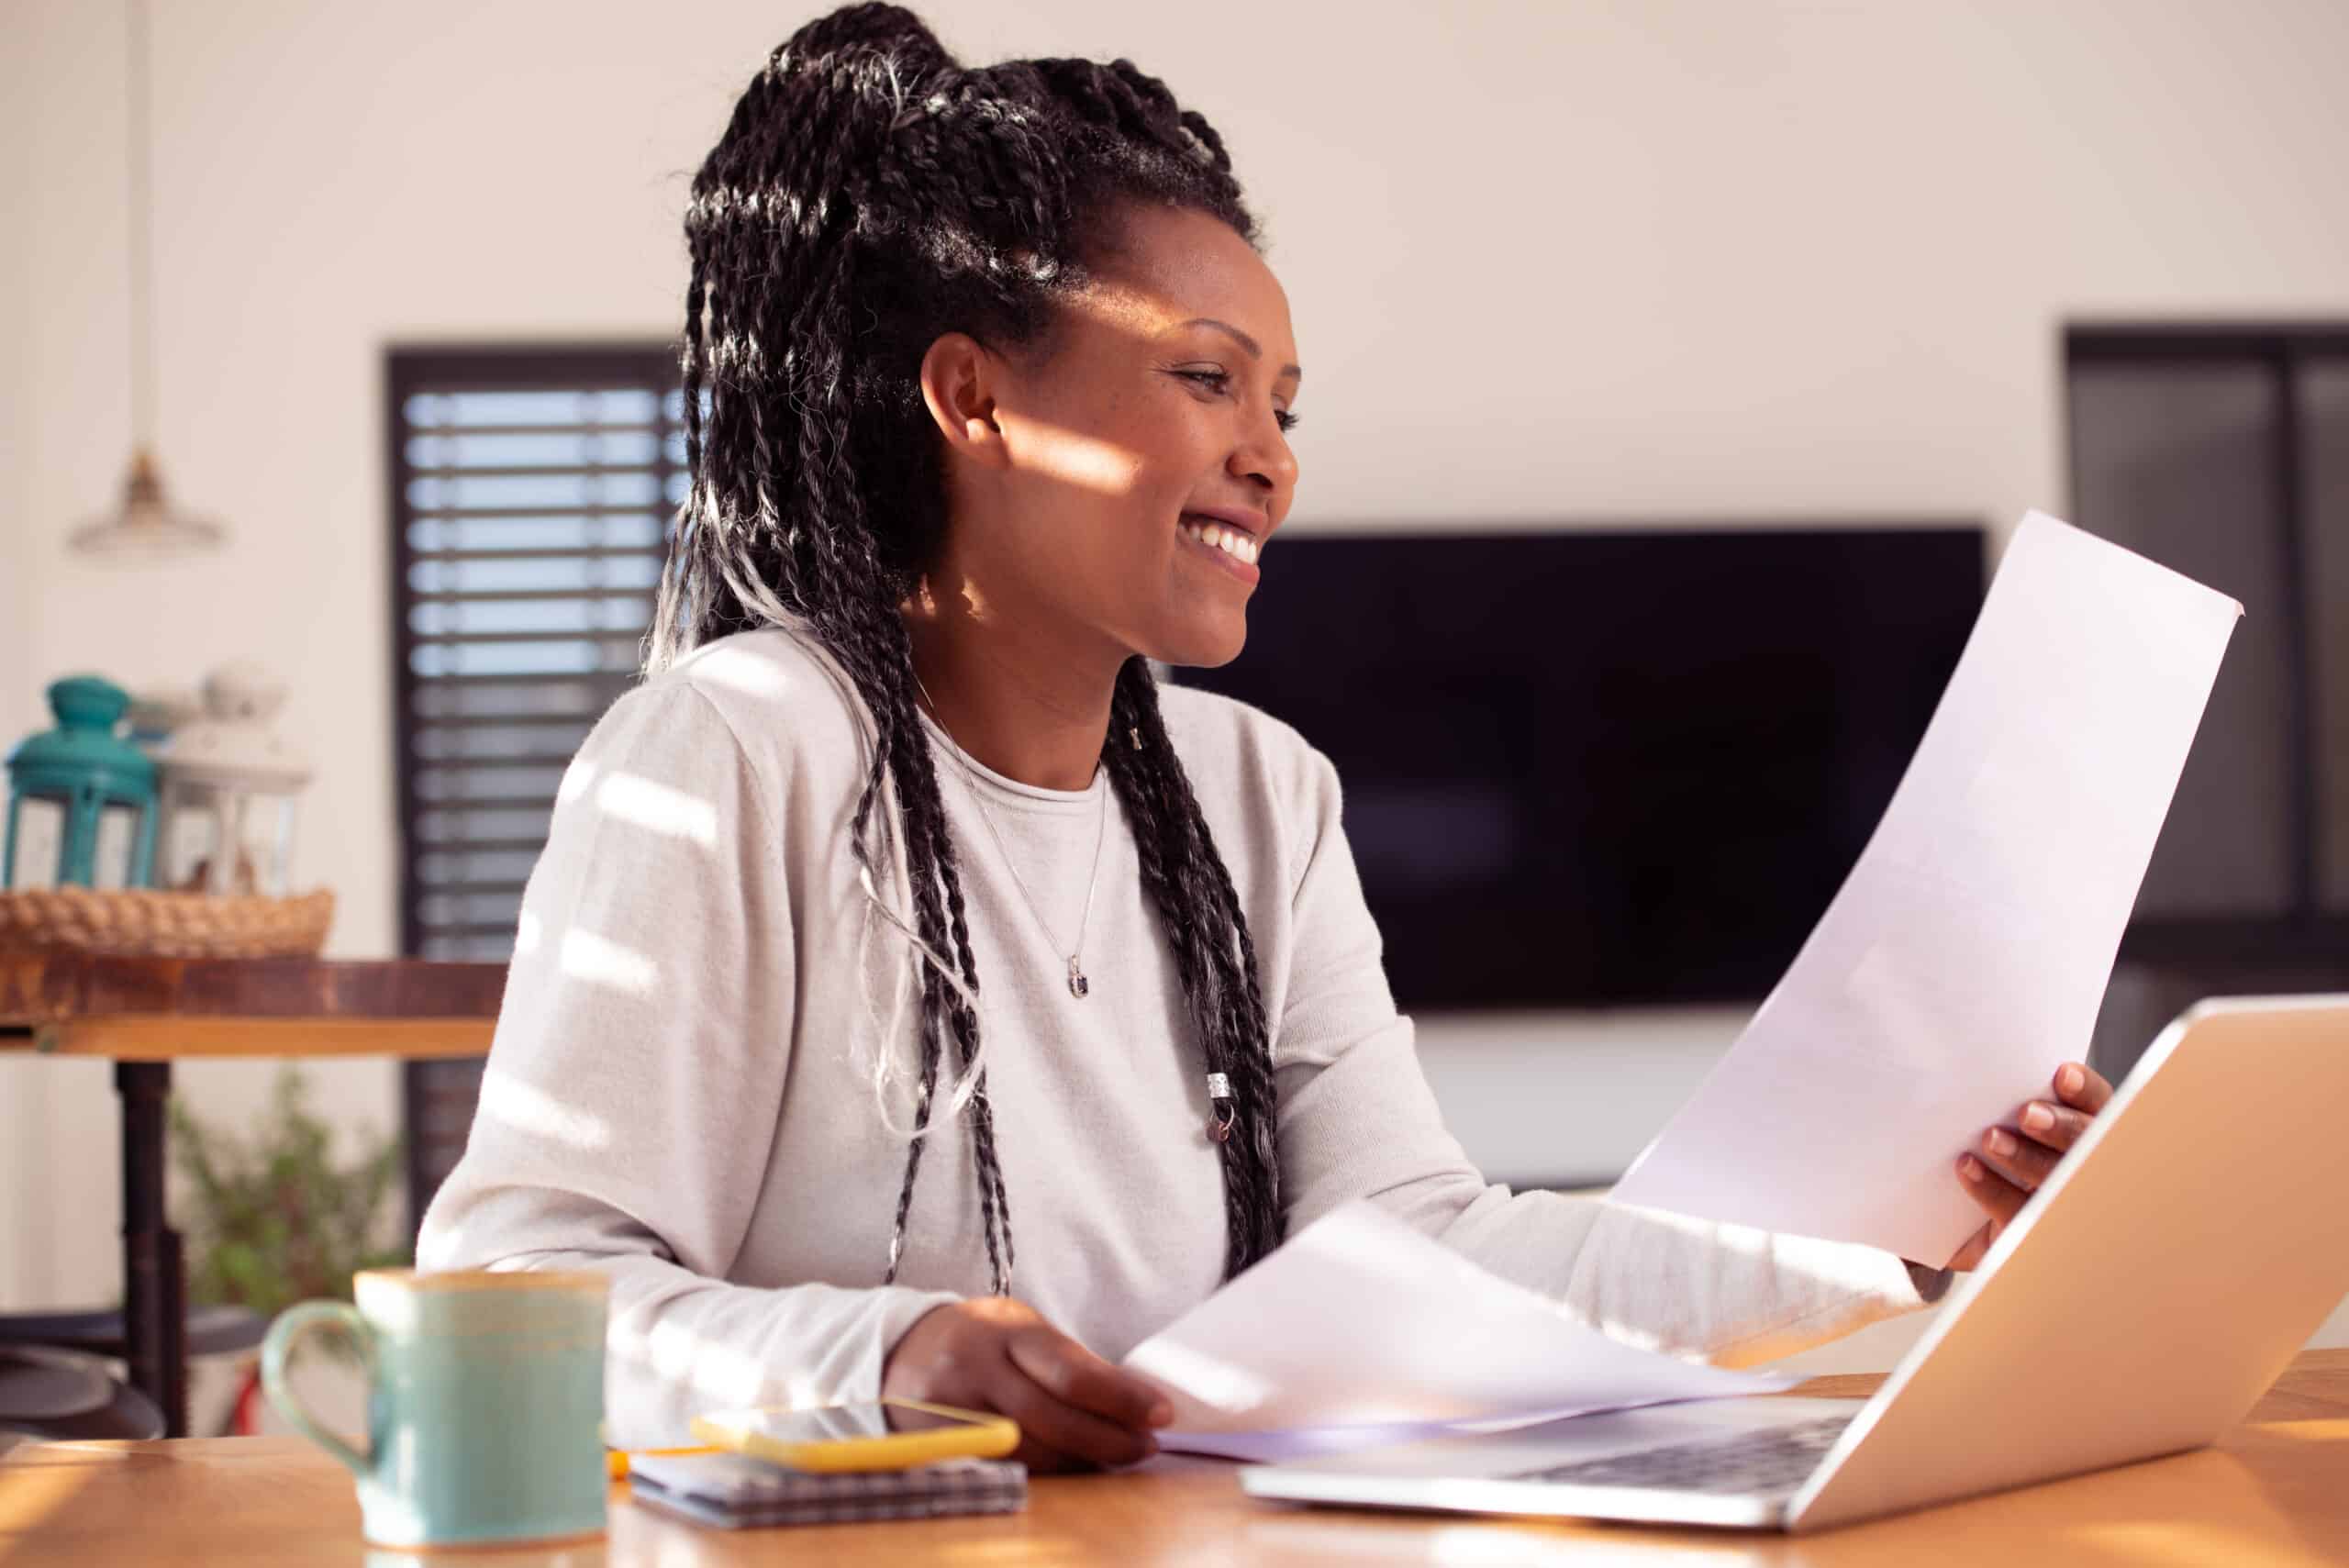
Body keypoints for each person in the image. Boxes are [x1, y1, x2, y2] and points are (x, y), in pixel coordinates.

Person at [417, 3, 2113, 1472]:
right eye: (1210, 380)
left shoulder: (1259, 795)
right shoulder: (730, 759)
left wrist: (1894, 1224)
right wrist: (883, 1363)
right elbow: (512, 1291)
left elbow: (1429, 1251)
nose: (1273, 461)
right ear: (971, 397)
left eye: (1285, 407)